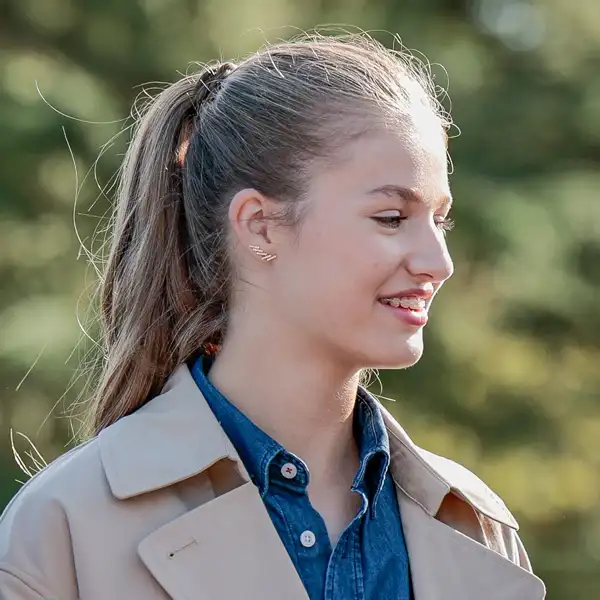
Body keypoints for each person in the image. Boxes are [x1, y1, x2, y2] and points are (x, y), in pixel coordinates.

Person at [0, 33, 545, 600]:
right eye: (391, 217)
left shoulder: (479, 527)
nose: (440, 262)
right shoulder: (64, 527)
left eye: (440, 220)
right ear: (260, 225)